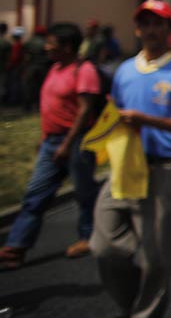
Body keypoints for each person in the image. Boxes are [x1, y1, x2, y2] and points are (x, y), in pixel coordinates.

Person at [90, 0, 171, 318]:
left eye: (159, 23)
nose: (151, 30)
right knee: (104, 246)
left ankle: (145, 314)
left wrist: (146, 119)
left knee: (157, 259)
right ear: (137, 28)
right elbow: (117, 114)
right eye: (146, 23)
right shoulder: (125, 70)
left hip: (162, 170)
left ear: (169, 30)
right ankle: (129, 303)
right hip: (125, 168)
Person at [0, 23, 102, 270]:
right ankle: (16, 246)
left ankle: (89, 237)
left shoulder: (84, 70)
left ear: (67, 47)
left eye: (51, 43)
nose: (46, 47)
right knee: (35, 193)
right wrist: (45, 138)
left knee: (84, 193)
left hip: (76, 141)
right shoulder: (56, 68)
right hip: (52, 141)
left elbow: (84, 110)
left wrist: (67, 143)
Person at [22, 25, 53, 113]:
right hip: (43, 67)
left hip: (31, 67)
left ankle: (27, 106)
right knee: (42, 87)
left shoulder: (29, 42)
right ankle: (40, 105)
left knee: (29, 87)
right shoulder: (46, 42)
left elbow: (26, 56)